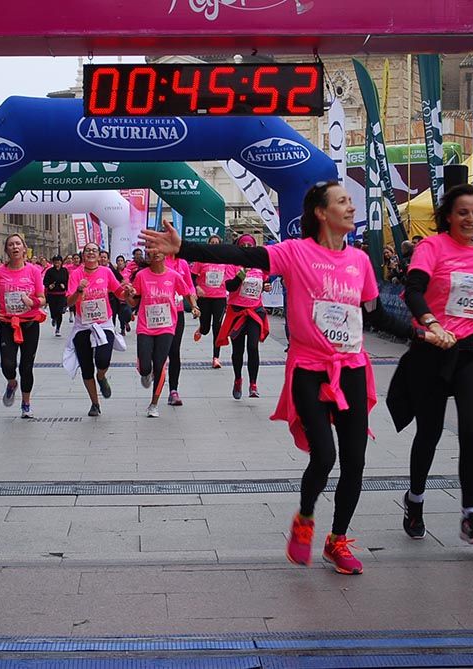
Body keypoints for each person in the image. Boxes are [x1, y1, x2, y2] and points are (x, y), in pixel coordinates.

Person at [141, 181, 439, 575]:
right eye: (343, 202)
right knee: (325, 455)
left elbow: (376, 315)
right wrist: (186, 250)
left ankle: (337, 541)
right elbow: (242, 255)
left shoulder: (360, 262)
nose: (351, 207)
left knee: (355, 461)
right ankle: (305, 518)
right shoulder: (296, 253)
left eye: (351, 201)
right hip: (310, 369)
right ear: (320, 212)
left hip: (351, 369)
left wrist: (419, 331)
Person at [387, 184, 473, 546]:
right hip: (433, 349)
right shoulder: (431, 247)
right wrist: (431, 324)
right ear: (448, 215)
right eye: (463, 212)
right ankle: (415, 501)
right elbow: (413, 291)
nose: (470, 219)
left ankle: (470, 516)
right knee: (428, 433)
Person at [65, 242, 132, 417]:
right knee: (86, 367)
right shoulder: (75, 274)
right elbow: (69, 302)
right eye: (88, 251)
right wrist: (79, 291)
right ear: (83, 254)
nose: (91, 253)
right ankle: (95, 403)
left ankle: (101, 377)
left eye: (94, 250)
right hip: (83, 325)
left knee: (103, 360)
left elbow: (119, 293)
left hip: (104, 323)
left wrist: (128, 292)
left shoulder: (106, 272)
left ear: (99, 254)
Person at [0, 234, 47, 419]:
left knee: (27, 367)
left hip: (30, 323)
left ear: (24, 248)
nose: (15, 247)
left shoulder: (34, 271)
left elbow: (43, 299)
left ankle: (26, 404)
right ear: (6, 250)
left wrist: (32, 302)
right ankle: (12, 383)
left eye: (18, 244)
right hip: (7, 323)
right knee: (8, 364)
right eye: (11, 245)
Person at [127, 249, 194, 417]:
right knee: (145, 367)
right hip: (146, 326)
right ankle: (145, 371)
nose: (156, 254)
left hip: (167, 326)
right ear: (148, 256)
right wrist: (129, 295)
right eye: (152, 252)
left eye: (159, 251)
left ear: (165, 254)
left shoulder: (173, 275)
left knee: (160, 363)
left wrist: (195, 306)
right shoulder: (142, 276)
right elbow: (134, 300)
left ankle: (154, 404)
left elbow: (187, 292)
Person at [218, 234, 271, 399]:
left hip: (255, 311)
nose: (247, 249)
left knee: (253, 347)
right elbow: (230, 287)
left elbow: (260, 284)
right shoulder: (232, 265)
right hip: (237, 311)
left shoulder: (260, 267)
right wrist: (242, 273)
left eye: (250, 246)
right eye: (244, 246)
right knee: (238, 350)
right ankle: (238, 379)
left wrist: (266, 287)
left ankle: (253, 384)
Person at [163, 251, 200, 407]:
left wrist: (194, 305)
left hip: (176, 312)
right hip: (158, 311)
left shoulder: (182, 263)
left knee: (174, 351)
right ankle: (147, 366)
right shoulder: (157, 259)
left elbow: (189, 286)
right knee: (159, 352)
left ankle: (173, 390)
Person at [190, 235, 230, 369]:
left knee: (217, 328)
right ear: (208, 244)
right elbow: (192, 277)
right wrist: (197, 287)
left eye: (216, 243)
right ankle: (202, 328)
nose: (214, 244)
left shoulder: (224, 260)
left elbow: (230, 278)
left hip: (219, 298)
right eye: (211, 242)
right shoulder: (201, 260)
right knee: (206, 328)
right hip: (205, 298)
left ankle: (216, 357)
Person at [43, 255, 69, 336]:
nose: (57, 263)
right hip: (52, 294)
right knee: (53, 311)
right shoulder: (49, 271)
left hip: (61, 294)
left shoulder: (64, 271)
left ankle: (58, 328)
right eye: (55, 262)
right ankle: (54, 318)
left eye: (58, 261)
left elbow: (68, 281)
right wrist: (49, 286)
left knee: (59, 311)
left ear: (61, 262)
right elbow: (45, 281)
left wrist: (64, 286)